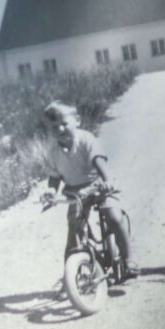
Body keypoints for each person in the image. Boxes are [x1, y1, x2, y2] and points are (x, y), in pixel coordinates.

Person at [43, 103, 131, 291]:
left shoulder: (85, 140)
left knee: (114, 218)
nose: (60, 129)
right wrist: (51, 191)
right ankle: (70, 277)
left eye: (64, 123)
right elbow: (54, 177)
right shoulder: (53, 152)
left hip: (100, 185)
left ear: (77, 121)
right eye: (54, 126)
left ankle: (129, 259)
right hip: (75, 191)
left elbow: (100, 164)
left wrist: (107, 181)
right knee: (74, 231)